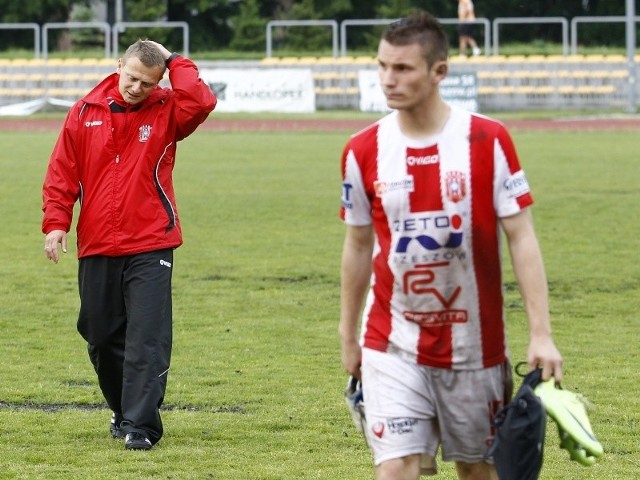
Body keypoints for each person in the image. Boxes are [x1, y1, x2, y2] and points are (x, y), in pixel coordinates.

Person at [338, 10, 563, 480]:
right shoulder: (362, 150)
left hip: (474, 348)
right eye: (382, 66)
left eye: (402, 68)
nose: (388, 79)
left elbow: (521, 237)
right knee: (396, 466)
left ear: (439, 71)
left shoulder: (488, 139)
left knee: (477, 471)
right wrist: (348, 334)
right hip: (390, 340)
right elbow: (358, 246)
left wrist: (541, 333)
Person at [42, 39, 216, 450]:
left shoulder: (168, 110)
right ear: (119, 65)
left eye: (148, 82)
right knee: (99, 334)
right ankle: (123, 412)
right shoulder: (83, 113)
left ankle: (141, 426)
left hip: (152, 242)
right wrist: (56, 223)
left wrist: (173, 59)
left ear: (160, 82)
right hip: (98, 242)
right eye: (132, 77)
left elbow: (202, 100)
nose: (137, 87)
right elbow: (62, 173)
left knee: (146, 337)